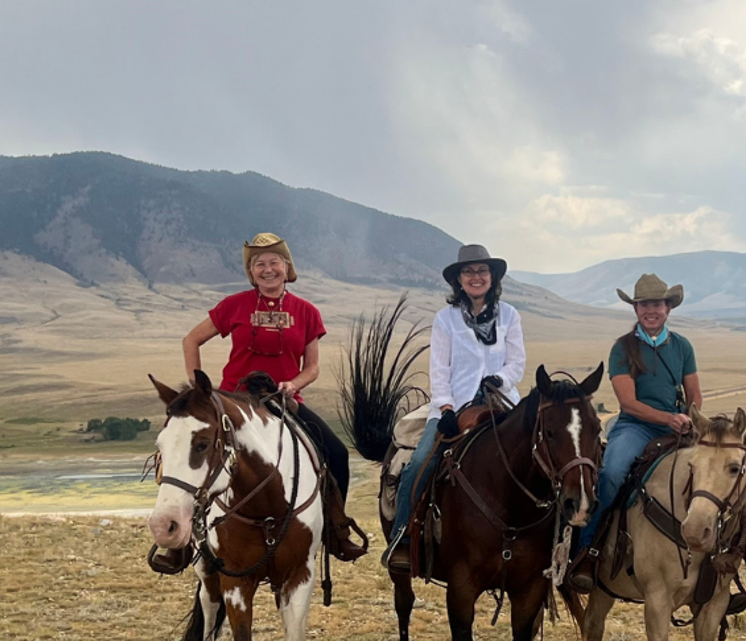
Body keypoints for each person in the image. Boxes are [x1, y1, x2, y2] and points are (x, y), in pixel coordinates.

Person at [177, 232, 364, 559]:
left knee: (337, 453)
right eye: (259, 264)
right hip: (235, 402)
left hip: (282, 401)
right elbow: (190, 340)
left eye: (273, 262)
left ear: (286, 267)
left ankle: (337, 530)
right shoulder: (233, 305)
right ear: (251, 273)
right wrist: (198, 391)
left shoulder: (306, 311)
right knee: (190, 455)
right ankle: (182, 538)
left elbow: (314, 367)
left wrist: (294, 383)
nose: (267, 269)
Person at [385, 243, 527, 571]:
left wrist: (498, 379)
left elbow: (517, 363)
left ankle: (553, 540)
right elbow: (439, 369)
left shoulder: (510, 315)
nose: (476, 277)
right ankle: (404, 536)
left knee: (539, 461)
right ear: (458, 280)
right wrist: (446, 408)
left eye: (482, 271)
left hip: (501, 404)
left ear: (492, 277)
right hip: (452, 406)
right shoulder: (445, 319)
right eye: (469, 272)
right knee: (419, 463)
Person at [567, 274, 702, 585]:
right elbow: (628, 403)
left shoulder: (682, 346)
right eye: (643, 305)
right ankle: (587, 550)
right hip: (636, 427)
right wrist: (668, 419)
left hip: (678, 428)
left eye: (656, 304)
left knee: (715, 476)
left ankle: (718, 560)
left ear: (668, 307)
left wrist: (691, 418)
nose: (649, 310)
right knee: (612, 474)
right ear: (636, 309)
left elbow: (694, 393)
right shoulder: (623, 348)